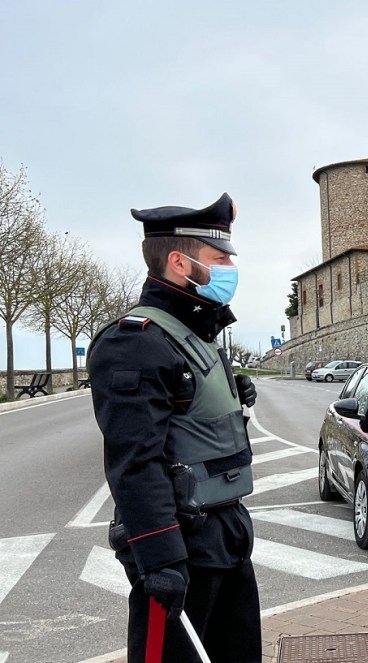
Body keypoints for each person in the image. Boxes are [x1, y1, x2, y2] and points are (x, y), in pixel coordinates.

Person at [89, 193, 262, 663]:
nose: (229, 266)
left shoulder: (197, 333)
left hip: (223, 533)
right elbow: (135, 461)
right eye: (219, 256)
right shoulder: (134, 342)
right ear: (180, 263)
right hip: (180, 545)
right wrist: (161, 560)